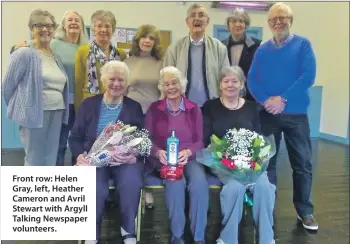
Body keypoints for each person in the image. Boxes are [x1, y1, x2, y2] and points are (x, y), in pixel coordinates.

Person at [247, 2, 318, 230]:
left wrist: (283, 99)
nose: (278, 22)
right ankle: (267, 206)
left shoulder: (303, 45)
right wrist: (267, 101)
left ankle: (304, 211)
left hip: (296, 114)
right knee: (268, 164)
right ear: (268, 24)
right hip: (268, 114)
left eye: (283, 17)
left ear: (291, 20)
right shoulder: (262, 50)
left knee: (303, 164)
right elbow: (251, 80)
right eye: (274, 19)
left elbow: (308, 75)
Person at [69, 61, 144, 244]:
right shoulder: (88, 104)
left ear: (126, 83)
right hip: (93, 158)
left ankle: (128, 229)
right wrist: (79, 155)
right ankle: (90, 232)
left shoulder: (134, 106)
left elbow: (142, 137)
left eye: (121, 80)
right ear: (103, 80)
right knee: (96, 188)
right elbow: (75, 137)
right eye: (112, 79)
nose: (116, 84)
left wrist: (133, 155)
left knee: (131, 183)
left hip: (123, 159)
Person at [202, 66, 276, 244]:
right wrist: (229, 159)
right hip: (220, 160)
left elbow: (258, 138)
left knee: (264, 186)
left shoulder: (251, 108)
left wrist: (253, 159)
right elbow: (205, 139)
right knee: (235, 187)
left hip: (251, 161)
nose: (230, 85)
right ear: (220, 84)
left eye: (235, 81)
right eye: (226, 81)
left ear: (242, 84)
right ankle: (227, 238)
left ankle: (267, 239)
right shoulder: (210, 106)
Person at [9, 10, 89, 166]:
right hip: (51, 105)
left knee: (78, 147)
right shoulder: (53, 44)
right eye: (69, 20)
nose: (73, 22)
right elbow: (31, 47)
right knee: (54, 147)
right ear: (63, 25)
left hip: (77, 104)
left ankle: (72, 182)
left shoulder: (87, 48)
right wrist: (15, 47)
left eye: (77, 20)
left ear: (82, 26)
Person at [145, 66, 208, 244]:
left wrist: (189, 152)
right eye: (167, 84)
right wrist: (158, 152)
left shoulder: (193, 108)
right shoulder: (154, 109)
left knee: (199, 184)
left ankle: (198, 237)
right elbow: (147, 139)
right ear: (162, 87)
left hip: (189, 157)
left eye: (175, 83)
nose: (171, 87)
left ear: (182, 85)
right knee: (175, 182)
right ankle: (177, 235)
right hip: (164, 159)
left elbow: (201, 140)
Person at [3, 9, 69, 166]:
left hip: (57, 111)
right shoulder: (24, 53)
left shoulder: (55, 56)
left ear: (54, 29)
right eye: (39, 25)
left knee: (51, 157)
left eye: (49, 25)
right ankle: (32, 189)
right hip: (35, 113)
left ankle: (46, 188)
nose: (45, 29)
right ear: (31, 28)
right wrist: (22, 108)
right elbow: (7, 86)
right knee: (34, 158)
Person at [124, 24, 164, 209]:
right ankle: (131, 189)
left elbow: (165, 89)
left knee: (149, 152)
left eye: (151, 38)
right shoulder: (128, 61)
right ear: (138, 40)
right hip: (132, 113)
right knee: (133, 152)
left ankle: (147, 190)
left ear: (155, 42)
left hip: (153, 113)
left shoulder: (161, 62)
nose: (147, 41)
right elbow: (122, 90)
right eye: (144, 37)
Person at [164, 3, 229, 110]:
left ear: (207, 21)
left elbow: (226, 78)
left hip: (212, 107)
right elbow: (165, 80)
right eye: (193, 15)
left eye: (201, 15)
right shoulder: (174, 48)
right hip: (181, 107)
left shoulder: (219, 48)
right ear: (187, 21)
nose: (197, 18)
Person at [74, 10, 127, 112]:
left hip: (114, 104)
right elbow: (78, 84)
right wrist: (79, 111)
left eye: (107, 26)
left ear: (113, 30)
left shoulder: (121, 55)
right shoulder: (82, 52)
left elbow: (123, 83)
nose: (103, 30)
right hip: (90, 105)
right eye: (99, 26)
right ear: (93, 30)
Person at [221, 7, 261, 101]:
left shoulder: (258, 46)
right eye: (234, 21)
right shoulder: (220, 46)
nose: (238, 24)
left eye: (241, 21)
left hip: (250, 97)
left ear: (246, 25)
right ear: (228, 24)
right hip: (226, 96)